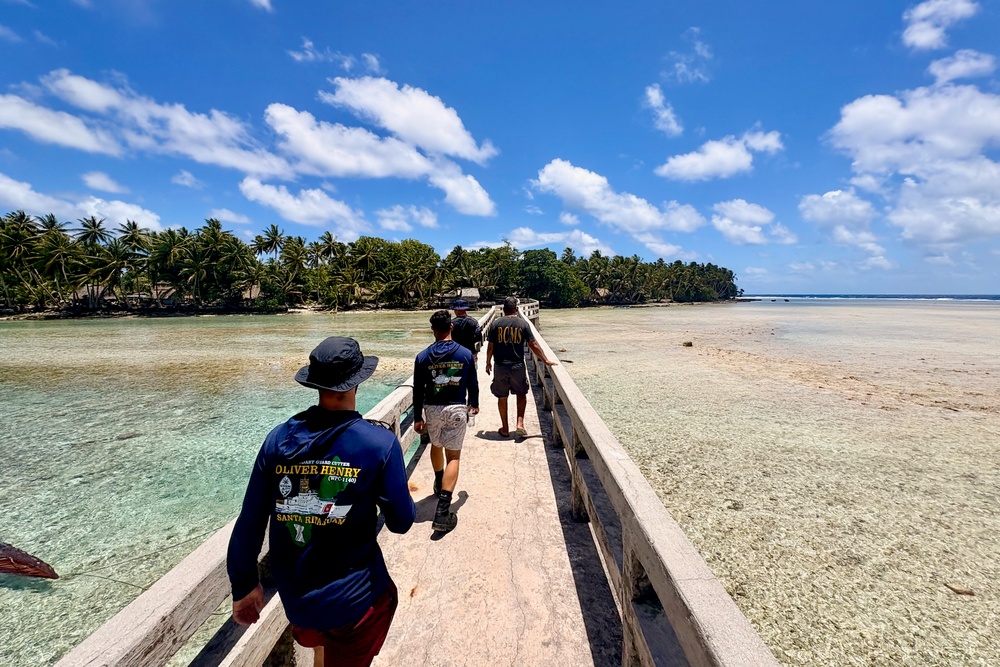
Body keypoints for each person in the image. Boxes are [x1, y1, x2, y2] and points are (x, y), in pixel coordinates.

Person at [227, 337, 416, 667]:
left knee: (321, 650)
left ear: (316, 384)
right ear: (358, 380)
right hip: (354, 603)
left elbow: (251, 519)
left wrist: (243, 584)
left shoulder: (277, 438)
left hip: (298, 604)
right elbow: (400, 522)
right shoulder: (378, 444)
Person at [412, 310, 480, 533]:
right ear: (451, 327)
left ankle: (438, 481)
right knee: (454, 456)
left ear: (433, 330)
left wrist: (416, 418)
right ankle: (443, 510)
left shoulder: (422, 357)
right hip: (456, 408)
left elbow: (418, 390)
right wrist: (475, 404)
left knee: (436, 445)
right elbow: (473, 383)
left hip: (431, 408)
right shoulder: (465, 353)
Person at [485, 297, 557, 438]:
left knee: (502, 396)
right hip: (517, 365)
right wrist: (545, 360)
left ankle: (505, 428)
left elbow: (490, 346)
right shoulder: (523, 324)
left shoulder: (496, 324)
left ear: (503, 310)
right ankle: (520, 423)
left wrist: (488, 362)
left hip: (500, 366)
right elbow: (533, 344)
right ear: (516, 309)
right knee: (521, 393)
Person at [450, 298, 483, 362]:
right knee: (472, 371)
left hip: (456, 354)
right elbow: (479, 336)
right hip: (470, 353)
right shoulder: (473, 321)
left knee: (457, 371)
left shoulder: (451, 323)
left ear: (456, 310)